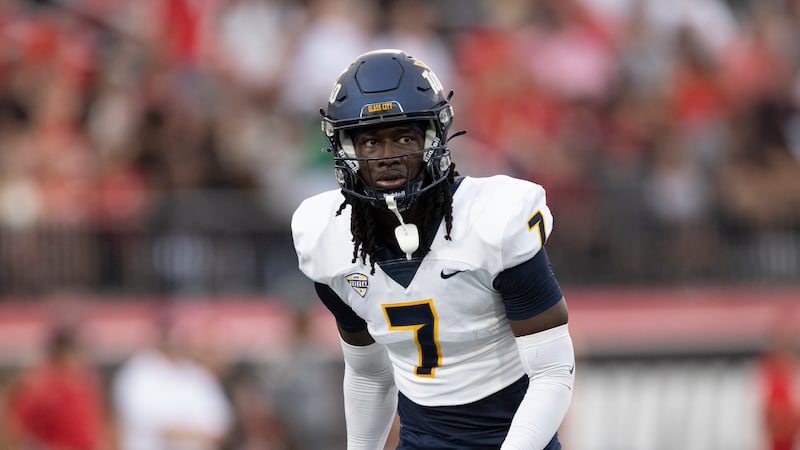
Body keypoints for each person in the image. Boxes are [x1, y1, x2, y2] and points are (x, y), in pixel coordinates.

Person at [291, 49, 575, 449]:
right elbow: (369, 374)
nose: (388, 157)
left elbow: (553, 370)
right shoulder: (328, 236)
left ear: (434, 138)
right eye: (370, 141)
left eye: (404, 137)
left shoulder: (494, 219)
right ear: (346, 150)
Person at [4, 326, 110, 450]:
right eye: (76, 352)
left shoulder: (86, 384)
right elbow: (17, 430)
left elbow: (96, 426)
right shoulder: (42, 387)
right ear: (62, 354)